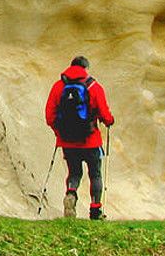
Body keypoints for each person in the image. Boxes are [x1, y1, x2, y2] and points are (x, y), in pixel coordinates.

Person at [44, 55, 115, 219]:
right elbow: (104, 114)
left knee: (74, 173)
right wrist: (109, 121)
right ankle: (95, 210)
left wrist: (59, 132)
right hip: (90, 140)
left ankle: (71, 193)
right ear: (86, 68)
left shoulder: (58, 86)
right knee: (95, 174)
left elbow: (49, 116)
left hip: (68, 141)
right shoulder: (94, 87)